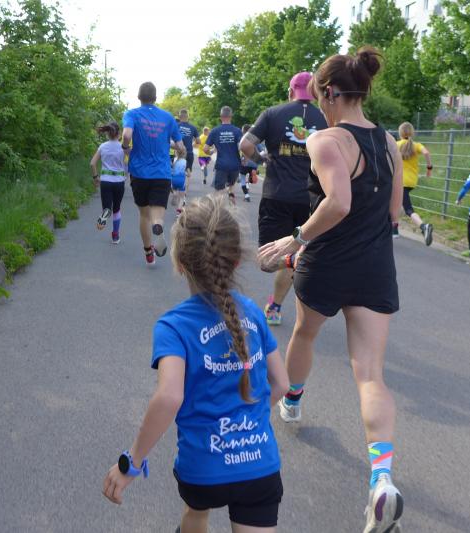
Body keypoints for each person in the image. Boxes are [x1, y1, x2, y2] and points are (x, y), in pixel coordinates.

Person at [257, 47, 404, 533]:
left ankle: (293, 399)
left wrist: (294, 239)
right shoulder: (388, 142)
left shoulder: (326, 139)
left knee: (305, 334)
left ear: (330, 92)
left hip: (326, 262)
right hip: (374, 266)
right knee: (370, 375)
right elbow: (394, 214)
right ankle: (381, 480)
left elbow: (338, 202)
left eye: (321, 96)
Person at [102, 194, 289, 533]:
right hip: (259, 464)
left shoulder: (174, 326)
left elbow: (169, 396)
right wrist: (247, 421)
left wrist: (133, 461)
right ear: (236, 262)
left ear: (179, 263)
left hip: (202, 470)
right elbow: (282, 384)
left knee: (196, 513)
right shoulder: (253, 313)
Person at [241, 72, 328, 326]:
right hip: (311, 199)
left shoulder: (272, 114)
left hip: (276, 195)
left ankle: (295, 262)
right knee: (294, 253)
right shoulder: (325, 118)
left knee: (266, 260)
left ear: (291, 92)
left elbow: (245, 145)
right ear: (314, 93)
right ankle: (276, 307)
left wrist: (261, 160)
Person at [122, 82, 185, 266]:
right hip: (161, 173)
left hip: (139, 173)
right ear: (155, 98)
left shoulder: (132, 114)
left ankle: (149, 252)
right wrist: (178, 152)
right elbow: (180, 146)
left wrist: (125, 147)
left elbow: (126, 135)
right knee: (157, 214)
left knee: (144, 214)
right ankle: (158, 225)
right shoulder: (168, 117)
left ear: (139, 97)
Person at [395, 122, 433, 246]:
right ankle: (394, 229)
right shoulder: (416, 145)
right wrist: (429, 168)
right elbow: (426, 153)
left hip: (399, 181)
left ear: (400, 133)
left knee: (408, 209)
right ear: (412, 133)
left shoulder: (396, 145)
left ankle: (423, 226)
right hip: (411, 181)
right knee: (397, 204)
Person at [90, 122, 128, 244]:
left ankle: (105, 213)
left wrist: (96, 177)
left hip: (106, 181)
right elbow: (128, 163)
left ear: (107, 133)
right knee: (116, 209)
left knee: (107, 207)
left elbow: (92, 163)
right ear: (119, 134)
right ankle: (115, 235)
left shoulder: (103, 146)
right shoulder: (123, 148)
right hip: (119, 181)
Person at [205, 107, 243, 202]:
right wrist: (244, 159)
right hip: (235, 164)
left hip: (221, 165)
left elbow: (205, 149)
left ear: (221, 117)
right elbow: (242, 147)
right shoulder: (237, 131)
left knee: (219, 191)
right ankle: (231, 201)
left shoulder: (215, 131)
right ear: (231, 116)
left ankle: (218, 209)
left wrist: (211, 152)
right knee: (231, 186)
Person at [177, 109, 200, 184]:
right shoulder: (193, 127)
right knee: (188, 170)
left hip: (179, 152)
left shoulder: (176, 126)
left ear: (179, 116)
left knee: (178, 172)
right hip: (189, 152)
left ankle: (179, 188)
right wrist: (192, 143)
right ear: (188, 116)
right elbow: (198, 141)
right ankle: (186, 189)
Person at [238, 124, 259, 203]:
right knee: (251, 175)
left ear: (243, 131)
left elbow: (239, 149)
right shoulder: (256, 140)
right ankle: (250, 179)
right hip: (254, 163)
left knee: (242, 178)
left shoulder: (242, 139)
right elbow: (261, 150)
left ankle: (246, 195)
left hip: (244, 162)